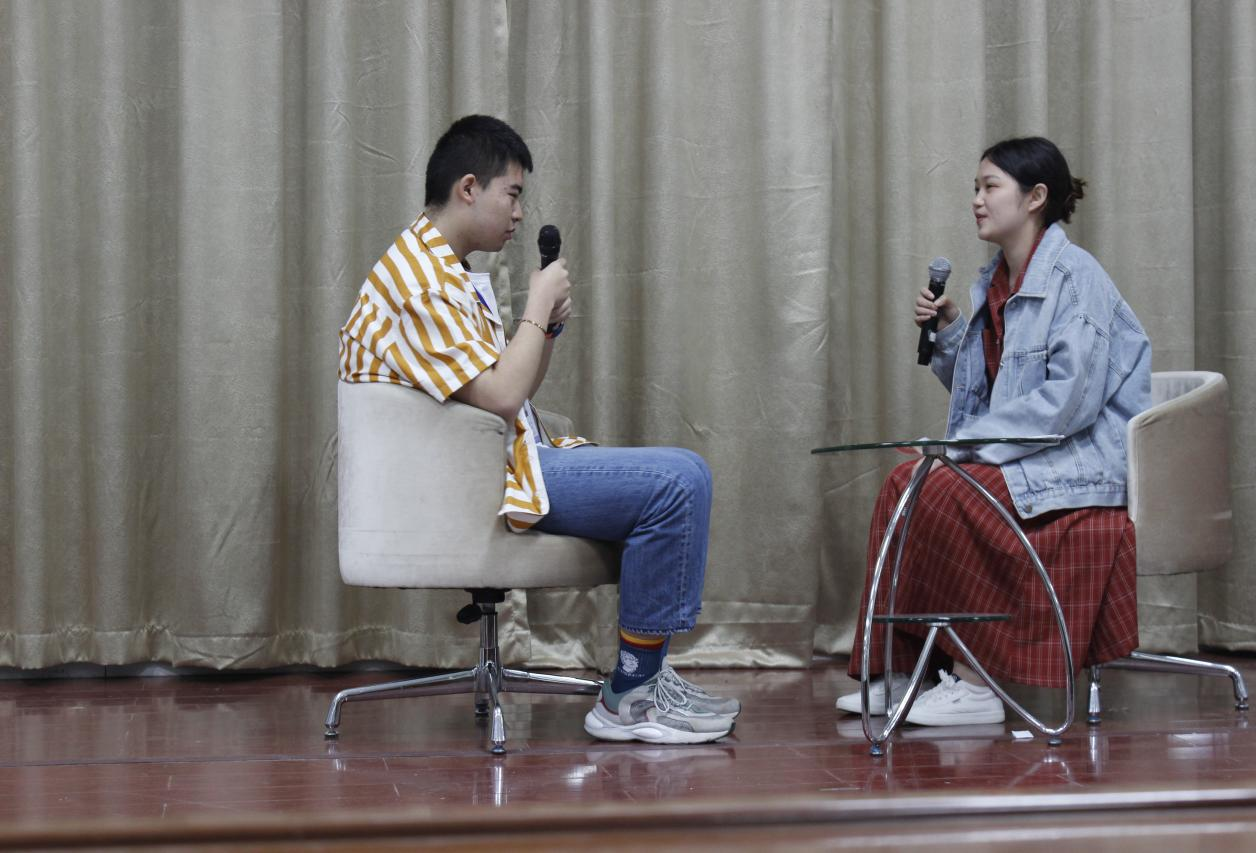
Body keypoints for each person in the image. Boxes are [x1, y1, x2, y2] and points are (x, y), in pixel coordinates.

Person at [338, 115, 739, 744]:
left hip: (498, 461)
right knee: (675, 483)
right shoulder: (417, 280)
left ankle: (646, 677)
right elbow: (503, 396)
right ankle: (631, 692)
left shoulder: (439, 268)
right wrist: (534, 306)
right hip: (479, 482)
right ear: (468, 188)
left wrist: (544, 329)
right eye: (513, 194)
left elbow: (510, 388)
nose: (520, 213)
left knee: (683, 473)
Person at [835, 136, 1151, 726]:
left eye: (990, 187)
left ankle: (976, 685)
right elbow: (991, 392)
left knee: (948, 490)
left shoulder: (1075, 278)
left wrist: (961, 448)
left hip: (1079, 463)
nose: (976, 200)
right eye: (975, 188)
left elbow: (1067, 404)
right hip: (1030, 456)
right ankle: (902, 672)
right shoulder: (996, 282)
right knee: (904, 485)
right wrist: (955, 332)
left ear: (1035, 197)